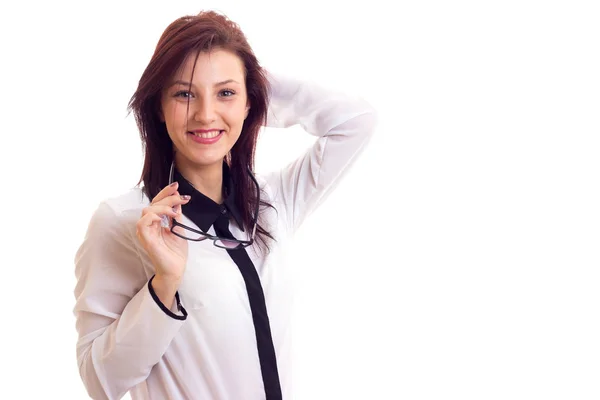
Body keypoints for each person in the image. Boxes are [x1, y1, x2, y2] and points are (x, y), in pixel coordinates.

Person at [73, 10, 378, 400]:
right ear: (159, 108)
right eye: (184, 94)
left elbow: (356, 122)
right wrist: (164, 287)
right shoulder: (123, 222)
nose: (205, 114)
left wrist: (251, 85)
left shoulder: (272, 202)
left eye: (225, 93)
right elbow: (100, 381)